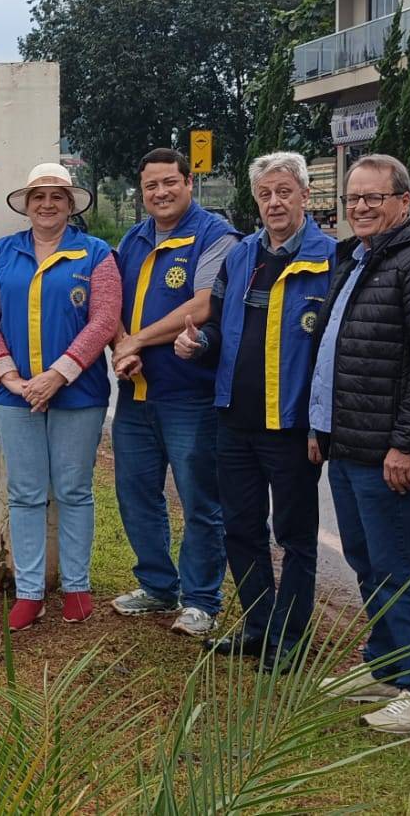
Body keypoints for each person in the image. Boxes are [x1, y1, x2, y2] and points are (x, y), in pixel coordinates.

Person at [306, 154, 410, 734]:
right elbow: (336, 351)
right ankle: (386, 667)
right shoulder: (358, 257)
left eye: (374, 198)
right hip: (348, 444)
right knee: (367, 562)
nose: (361, 207)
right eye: (353, 198)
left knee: (400, 567)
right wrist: (322, 428)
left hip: (387, 452)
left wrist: (407, 444)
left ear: (404, 202)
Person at [175, 151, 335, 670]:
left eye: (284, 192)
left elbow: (334, 352)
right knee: (241, 529)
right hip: (235, 419)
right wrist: (199, 344)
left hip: (291, 425)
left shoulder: (331, 259)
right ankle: (259, 625)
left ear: (305, 195)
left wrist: (321, 423)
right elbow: (219, 327)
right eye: (265, 194)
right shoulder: (241, 255)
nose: (274, 203)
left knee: (294, 537)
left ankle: (290, 638)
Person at [0, 163, 120, 632]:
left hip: (79, 392)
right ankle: (30, 592)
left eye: (57, 196)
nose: (48, 204)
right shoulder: (1, 253)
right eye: (39, 196)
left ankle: (77, 586)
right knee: (26, 493)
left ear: (71, 204)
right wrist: (11, 376)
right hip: (15, 394)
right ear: (27, 205)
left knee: (74, 490)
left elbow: (104, 319)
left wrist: (58, 374)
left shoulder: (95, 254)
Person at [108, 147, 239, 637]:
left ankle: (201, 600)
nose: (160, 193)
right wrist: (122, 346)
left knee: (200, 501)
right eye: (151, 186)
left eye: (170, 182)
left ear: (188, 182)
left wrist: (137, 340)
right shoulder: (134, 238)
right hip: (135, 394)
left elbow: (202, 305)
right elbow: (109, 302)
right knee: (136, 494)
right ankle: (158, 586)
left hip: (191, 397)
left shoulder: (215, 236)